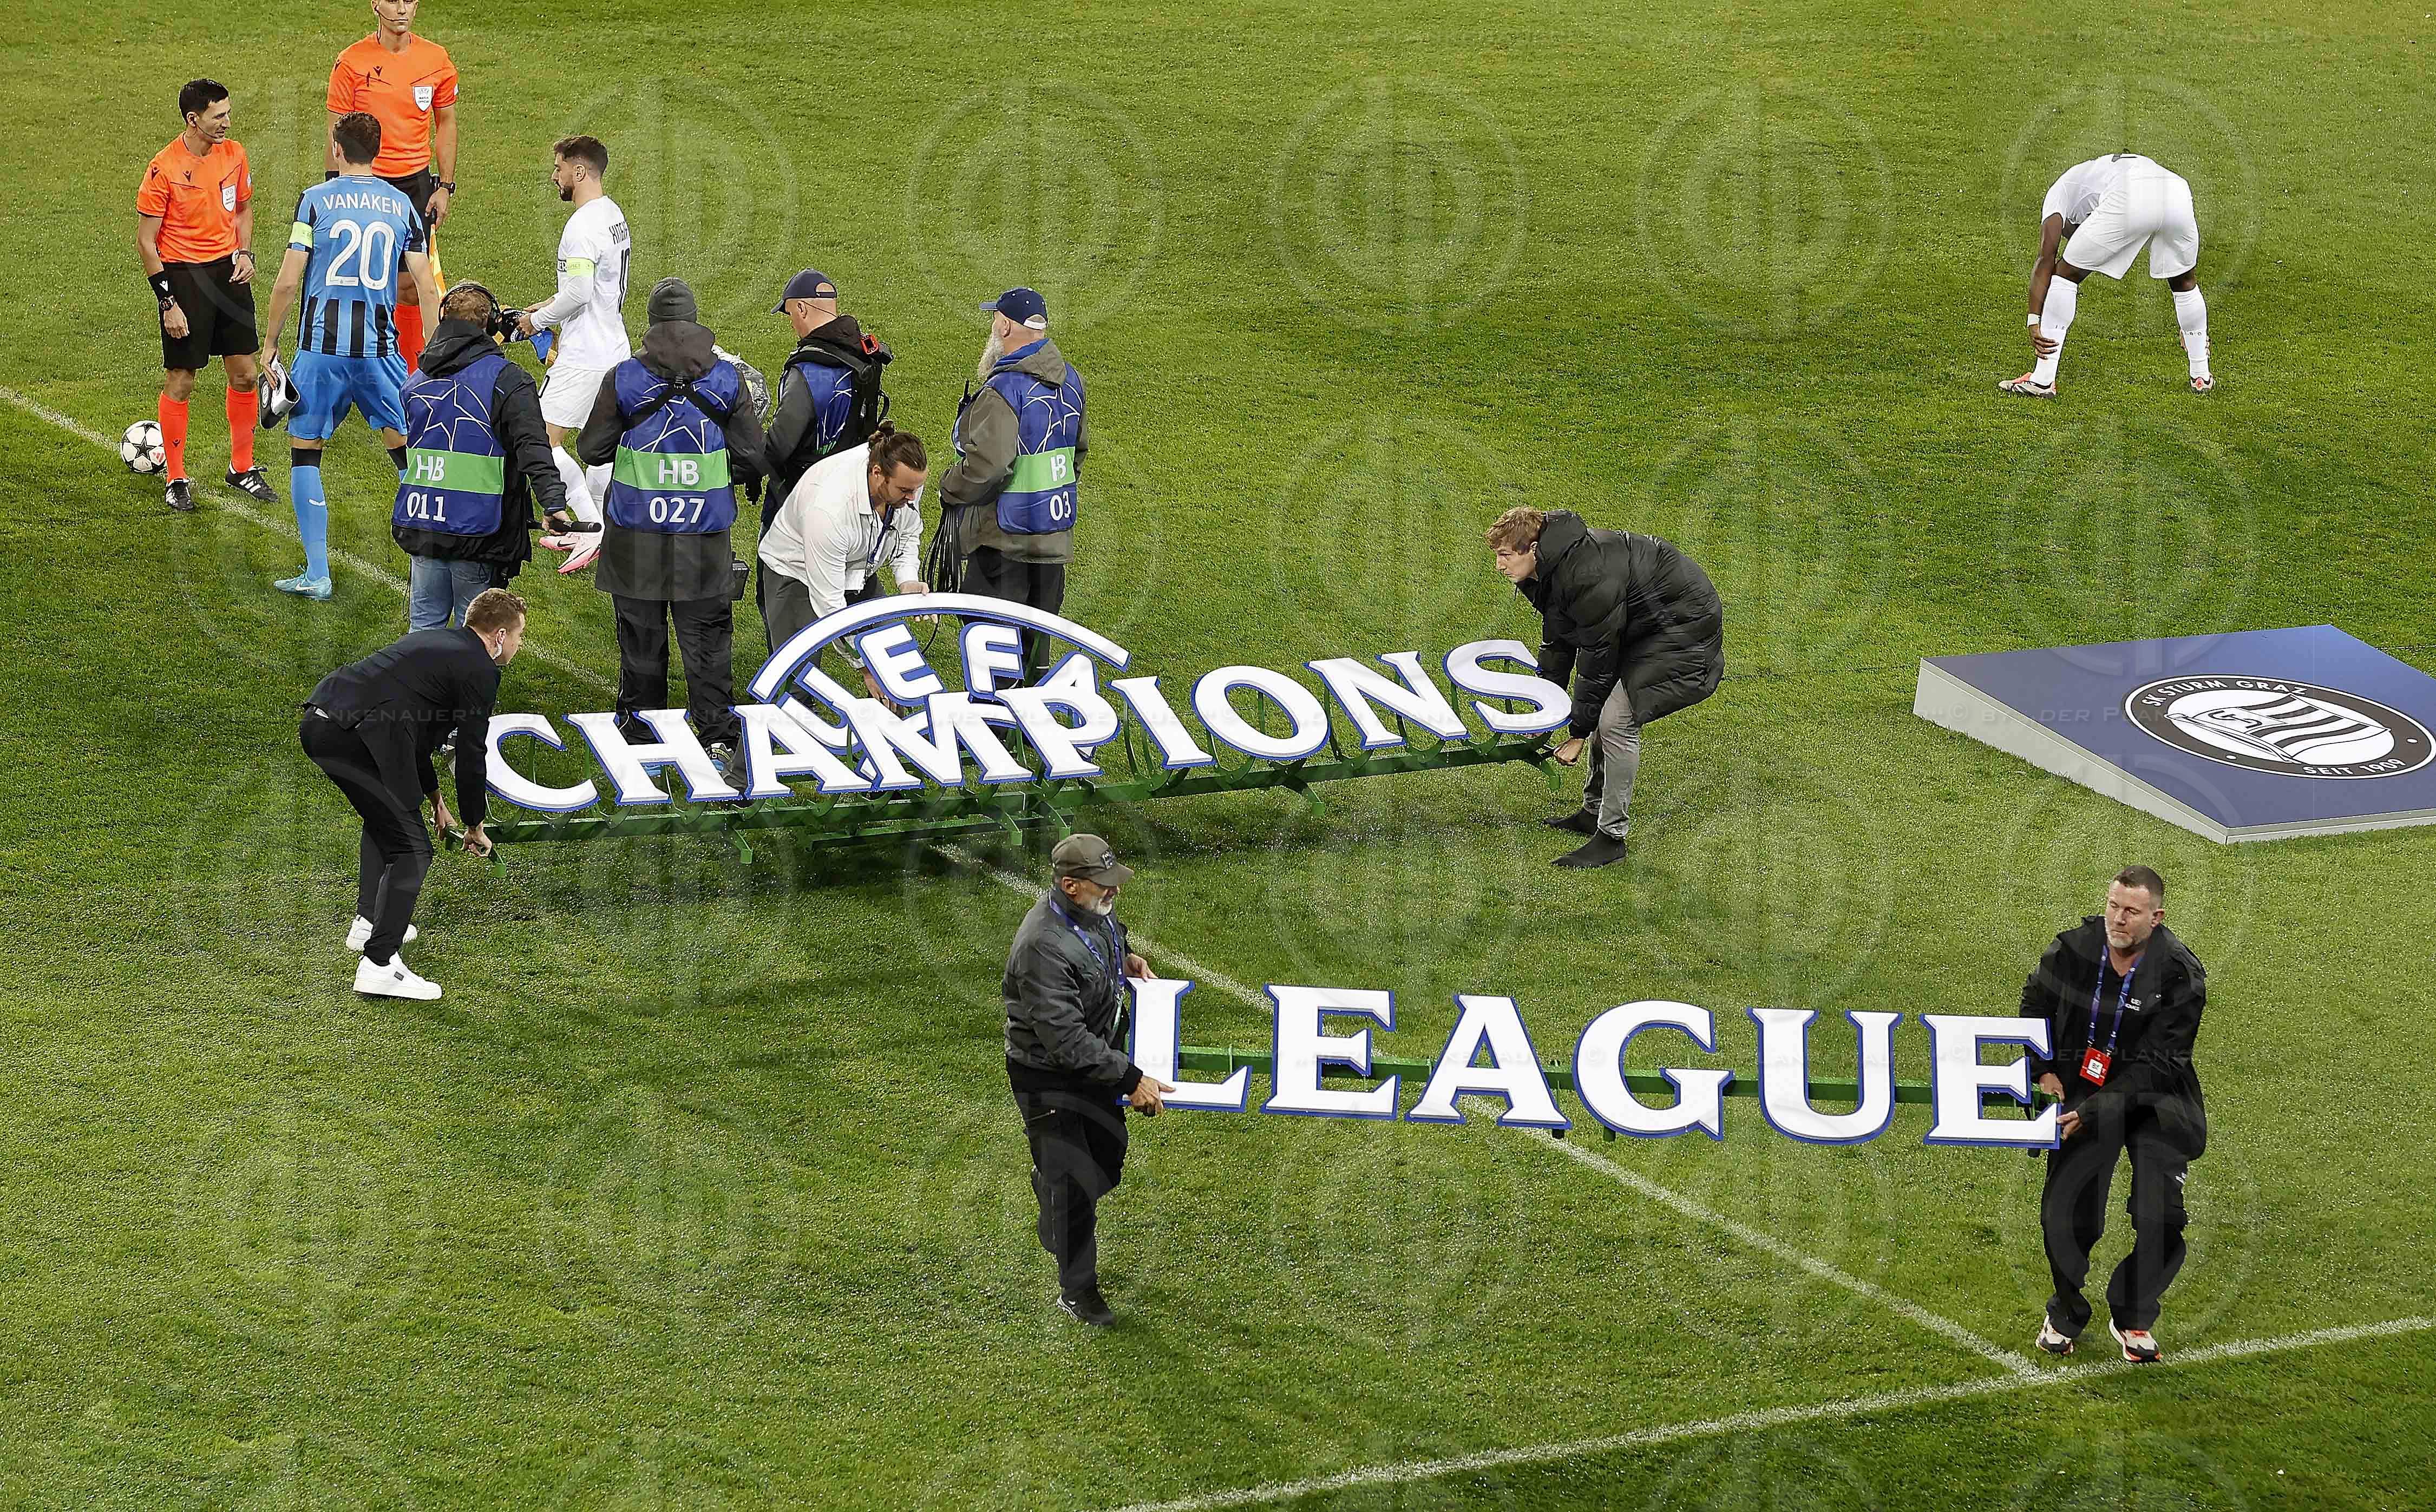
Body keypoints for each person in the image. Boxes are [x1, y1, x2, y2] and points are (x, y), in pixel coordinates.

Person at [2019, 866, 2208, 1364]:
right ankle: (2065, 1312)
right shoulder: (2074, 949)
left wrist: (2098, 1109)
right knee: (2067, 1215)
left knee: (2161, 1216)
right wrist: (2043, 1072)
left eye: (2131, 911)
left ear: (2156, 916)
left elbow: (2163, 1063)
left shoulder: (2180, 973)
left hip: (2155, 1098)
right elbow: (2032, 1004)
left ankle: (2134, 1313)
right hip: (2083, 1086)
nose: (2118, 919)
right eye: (2113, 906)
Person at [300, 587, 526, 1001]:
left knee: (385, 820)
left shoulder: (436, 643)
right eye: (516, 637)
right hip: (360, 737)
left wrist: (436, 800)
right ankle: (379, 964)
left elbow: (417, 734)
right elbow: (472, 752)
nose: (517, 645)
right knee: (413, 849)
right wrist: (475, 824)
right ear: (497, 636)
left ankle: (369, 922)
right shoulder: (481, 669)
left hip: (323, 723)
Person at [577, 278, 767, 760]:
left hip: (635, 538)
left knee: (641, 641)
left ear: (653, 324)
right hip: (703, 539)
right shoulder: (727, 379)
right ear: (695, 321)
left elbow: (592, 448)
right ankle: (717, 735)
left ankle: (641, 735)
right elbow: (751, 455)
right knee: (707, 641)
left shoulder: (623, 377)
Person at [257, 111, 438, 601]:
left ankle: (318, 574)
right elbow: (424, 284)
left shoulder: (315, 201)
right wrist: (437, 348)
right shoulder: (403, 205)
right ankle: (429, 568)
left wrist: (271, 344)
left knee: (305, 453)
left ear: (337, 149)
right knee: (406, 455)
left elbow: (289, 280)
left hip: (321, 351)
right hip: (381, 352)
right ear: (377, 151)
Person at [1487, 507, 1725, 869]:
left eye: (1506, 556)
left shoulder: (1586, 575)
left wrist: (1578, 733)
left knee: (1615, 721)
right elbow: (1560, 639)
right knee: (1604, 711)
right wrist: (1547, 710)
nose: (1500, 566)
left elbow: (1597, 659)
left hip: (1683, 635)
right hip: (1643, 628)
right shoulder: (1550, 568)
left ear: (1533, 548)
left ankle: (1611, 837)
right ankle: (1592, 812)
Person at [1003, 834, 1174, 1326]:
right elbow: (1067, 1041)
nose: (1113, 892)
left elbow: (1108, 933)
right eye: (1103, 885)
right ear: (1070, 885)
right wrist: (1132, 1076)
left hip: (1092, 1066)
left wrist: (1127, 959)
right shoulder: (1041, 946)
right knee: (1077, 1185)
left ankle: (1051, 1193)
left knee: (1107, 1162)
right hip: (1048, 1075)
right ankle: (1079, 1292)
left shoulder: (1089, 914)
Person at [394, 282, 572, 629]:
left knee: (423, 629)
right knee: (475, 638)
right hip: (478, 530)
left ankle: (416, 684)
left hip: (424, 520)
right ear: (491, 326)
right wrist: (553, 504)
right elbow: (534, 448)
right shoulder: (508, 381)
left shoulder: (415, 381)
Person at [137, 78, 273, 513]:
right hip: (184, 278)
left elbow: (244, 209)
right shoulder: (164, 167)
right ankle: (175, 477)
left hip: (229, 274)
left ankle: (242, 467)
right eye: (219, 116)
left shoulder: (234, 154)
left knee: (245, 374)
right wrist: (167, 302)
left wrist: (246, 252)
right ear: (193, 119)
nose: (227, 123)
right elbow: (146, 241)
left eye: (228, 114)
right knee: (183, 379)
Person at [936, 286, 1086, 681]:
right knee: (1036, 650)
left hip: (1002, 543)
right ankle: (1029, 735)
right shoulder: (1071, 380)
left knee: (992, 650)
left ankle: (996, 736)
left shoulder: (1003, 389)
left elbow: (989, 466)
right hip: (1052, 541)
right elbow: (1077, 454)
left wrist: (950, 485)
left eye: (994, 320)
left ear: (1004, 325)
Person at [2002, 153, 2213, 397]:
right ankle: (2201, 375)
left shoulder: (2059, 192)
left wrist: (2033, 319)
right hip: (2176, 189)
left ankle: (2042, 380)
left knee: (2064, 275)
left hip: (2133, 192)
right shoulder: (2096, 177)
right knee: (2184, 281)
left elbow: (2046, 258)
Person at [514, 135, 629, 576]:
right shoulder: (612, 214)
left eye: (559, 168)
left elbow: (579, 292)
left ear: (579, 172)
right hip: (614, 344)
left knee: (542, 440)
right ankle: (608, 529)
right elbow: (593, 288)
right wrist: (547, 305)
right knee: (602, 447)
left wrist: (536, 323)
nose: (554, 176)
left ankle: (590, 526)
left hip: (585, 355)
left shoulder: (580, 227)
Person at [326, 0, 458, 374]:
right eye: (392, 1)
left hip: (415, 186)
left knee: (412, 287)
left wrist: (445, 185)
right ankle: (353, 367)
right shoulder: (351, 62)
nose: (401, 9)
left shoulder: (436, 59)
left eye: (409, 1)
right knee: (357, 281)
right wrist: (334, 187)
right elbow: (335, 130)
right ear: (375, 5)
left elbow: (446, 123)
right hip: (363, 182)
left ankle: (413, 372)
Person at [757, 425, 929, 676]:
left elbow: (908, 531)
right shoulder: (828, 510)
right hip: (797, 571)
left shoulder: (907, 480)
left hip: (856, 566)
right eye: (905, 491)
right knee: (797, 676)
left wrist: (907, 579)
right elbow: (831, 607)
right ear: (878, 473)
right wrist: (866, 668)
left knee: (895, 661)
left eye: (915, 489)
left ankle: (897, 713)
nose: (913, 497)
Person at [761, 269, 893, 511]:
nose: (792, 323)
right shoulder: (864, 354)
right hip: (853, 492)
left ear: (802, 309)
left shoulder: (808, 370)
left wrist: (742, 465)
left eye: (790, 313)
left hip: (802, 499)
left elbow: (778, 446)